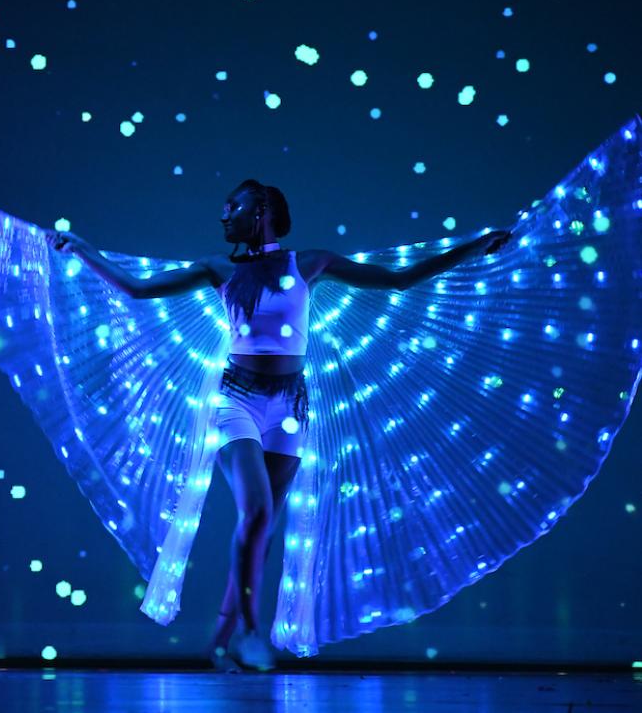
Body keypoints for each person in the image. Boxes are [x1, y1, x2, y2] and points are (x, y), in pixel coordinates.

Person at [45, 180, 511, 671]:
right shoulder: (219, 268)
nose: (224, 216)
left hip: (290, 405)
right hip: (237, 401)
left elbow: (399, 279)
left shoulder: (310, 263)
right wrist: (84, 250)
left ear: (261, 211)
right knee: (258, 514)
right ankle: (249, 632)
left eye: (234, 207)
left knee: (260, 530)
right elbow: (136, 289)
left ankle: (221, 643)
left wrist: (473, 247)